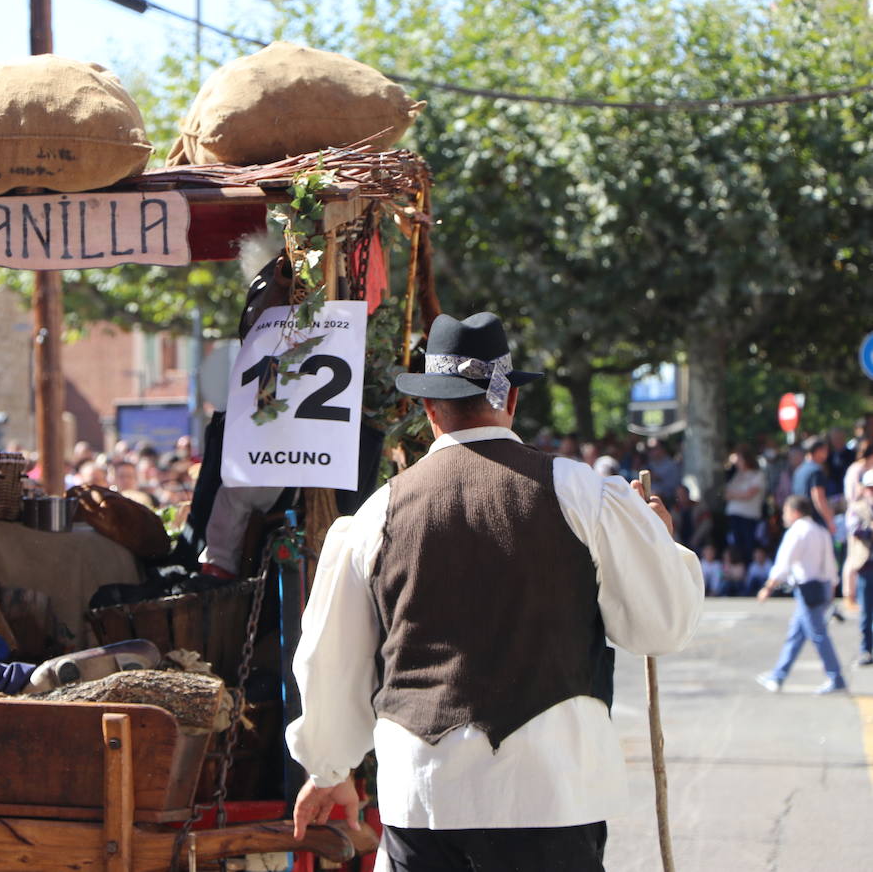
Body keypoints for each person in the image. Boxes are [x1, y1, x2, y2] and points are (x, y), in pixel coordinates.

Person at [286, 312, 703, 872]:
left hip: (424, 797)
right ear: (509, 403)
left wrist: (329, 769)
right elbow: (662, 626)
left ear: (430, 411)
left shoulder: (375, 515)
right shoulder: (583, 493)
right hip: (552, 788)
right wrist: (663, 546)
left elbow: (329, 661)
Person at [755, 495, 846, 694]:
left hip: (807, 588)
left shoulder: (797, 532)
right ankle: (778, 675)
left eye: (786, 512)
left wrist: (768, 588)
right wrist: (831, 588)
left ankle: (836, 677)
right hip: (821, 586)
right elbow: (831, 564)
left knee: (818, 635)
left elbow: (784, 563)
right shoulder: (820, 530)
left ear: (795, 512)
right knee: (796, 633)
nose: (784, 517)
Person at [843, 471, 873, 667]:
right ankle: (865, 649)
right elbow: (855, 530)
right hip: (866, 564)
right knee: (866, 612)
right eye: (870, 488)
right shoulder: (857, 508)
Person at [724, 445, 765, 564]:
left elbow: (749, 494)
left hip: (749, 517)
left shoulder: (757, 475)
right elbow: (727, 494)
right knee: (736, 547)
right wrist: (738, 494)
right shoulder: (736, 476)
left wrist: (734, 495)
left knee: (748, 546)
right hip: (734, 516)